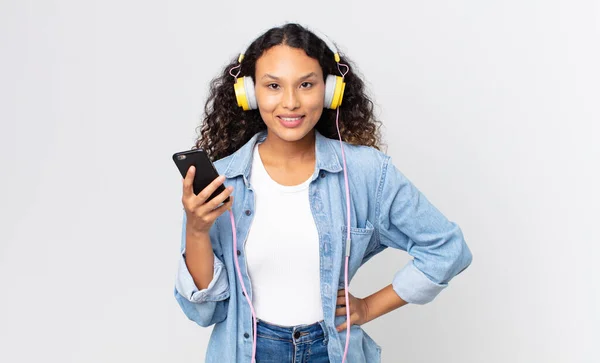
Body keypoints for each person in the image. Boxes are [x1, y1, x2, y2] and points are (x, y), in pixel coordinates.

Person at [174, 23, 473, 363]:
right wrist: (196, 229)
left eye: (306, 84)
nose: (291, 102)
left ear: (331, 90)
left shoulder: (365, 173)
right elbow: (204, 312)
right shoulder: (223, 178)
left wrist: (369, 307)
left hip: (331, 350)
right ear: (250, 93)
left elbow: (447, 248)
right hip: (248, 351)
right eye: (273, 86)